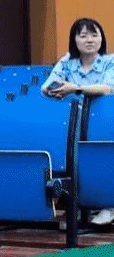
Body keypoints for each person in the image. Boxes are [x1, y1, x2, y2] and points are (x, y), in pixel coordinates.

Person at [42, 17, 114, 224]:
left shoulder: (110, 61)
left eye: (94, 35)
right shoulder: (67, 62)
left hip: (104, 123)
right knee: (69, 160)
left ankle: (108, 205)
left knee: (100, 159)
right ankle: (76, 206)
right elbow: (46, 87)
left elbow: (108, 88)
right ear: (74, 40)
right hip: (73, 124)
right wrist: (54, 91)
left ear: (101, 39)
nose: (89, 40)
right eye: (83, 36)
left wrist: (75, 89)